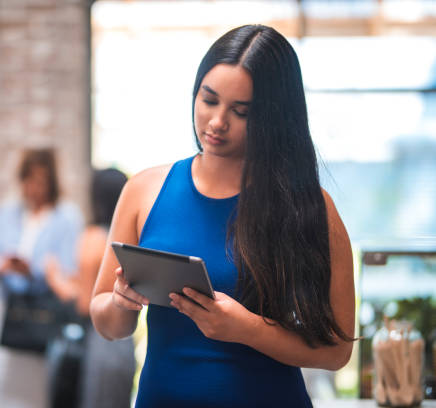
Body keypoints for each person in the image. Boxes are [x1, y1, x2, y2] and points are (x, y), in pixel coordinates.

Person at [89, 24, 356, 408]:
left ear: (274, 117)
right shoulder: (143, 190)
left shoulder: (309, 206)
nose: (216, 122)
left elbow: (336, 352)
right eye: (208, 99)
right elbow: (107, 323)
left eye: (240, 111)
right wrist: (120, 302)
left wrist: (248, 330)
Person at [0, 148, 83, 408]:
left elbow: (67, 271)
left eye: (40, 181)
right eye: (29, 180)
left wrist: (32, 270)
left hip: (41, 317)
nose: (33, 188)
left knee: (36, 395)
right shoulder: (6, 212)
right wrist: (2, 265)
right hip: (4, 311)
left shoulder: (67, 217)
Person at [45, 168, 135, 408]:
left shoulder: (93, 237)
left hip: (100, 343)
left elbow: (85, 304)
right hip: (125, 344)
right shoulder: (131, 239)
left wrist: (55, 279)